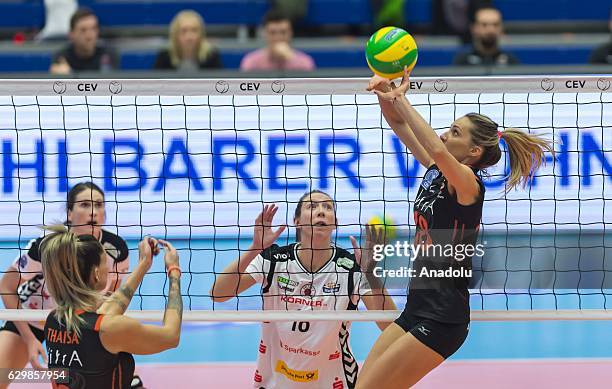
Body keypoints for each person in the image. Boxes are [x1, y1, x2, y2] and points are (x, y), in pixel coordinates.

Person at [356, 70, 553, 388]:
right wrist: (385, 91)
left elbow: (437, 150)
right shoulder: (436, 172)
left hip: (442, 319)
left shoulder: (468, 184)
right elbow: (400, 125)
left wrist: (400, 97)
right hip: (416, 309)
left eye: (455, 132)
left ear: (474, 152)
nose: (445, 135)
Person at [210, 191, 396, 388]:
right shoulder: (273, 260)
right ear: (297, 221)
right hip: (275, 381)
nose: (321, 212)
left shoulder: (352, 267)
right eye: (312, 206)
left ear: (335, 223)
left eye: (328, 207)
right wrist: (255, 248)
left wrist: (371, 273)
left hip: (334, 382)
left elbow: (390, 326)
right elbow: (218, 294)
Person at [0, 182, 133, 387]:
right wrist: (28, 339)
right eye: (85, 205)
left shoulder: (116, 250)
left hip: (77, 326)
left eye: (98, 205)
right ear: (69, 213)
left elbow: (111, 300)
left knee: (86, 381)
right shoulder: (46, 247)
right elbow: (6, 287)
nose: (93, 211)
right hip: (32, 319)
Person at [41, 228, 182, 388]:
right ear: (96, 273)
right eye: (105, 262)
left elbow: (102, 317)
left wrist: (144, 264)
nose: (108, 267)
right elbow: (171, 336)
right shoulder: (111, 329)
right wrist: (174, 271)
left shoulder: (54, 320)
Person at [240, 10, 315, 72]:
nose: (278, 37)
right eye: (272, 33)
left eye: (283, 32)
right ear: (264, 34)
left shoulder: (305, 62)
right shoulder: (251, 62)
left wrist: (290, 59)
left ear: (291, 33)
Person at [49, 7, 118, 75]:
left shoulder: (108, 54)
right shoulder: (62, 57)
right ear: (71, 34)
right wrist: (60, 77)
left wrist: (70, 74)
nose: (89, 36)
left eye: (93, 29)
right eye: (83, 30)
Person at [153, 10, 223, 71]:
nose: (189, 37)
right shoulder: (165, 55)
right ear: (175, 34)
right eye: (184, 31)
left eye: (194, 30)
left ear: (201, 33)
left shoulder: (211, 55)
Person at [453, 5, 519, 66]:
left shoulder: (511, 61)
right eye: (484, 25)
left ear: (501, 28)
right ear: (474, 28)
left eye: (495, 24)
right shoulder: (462, 62)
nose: (490, 30)